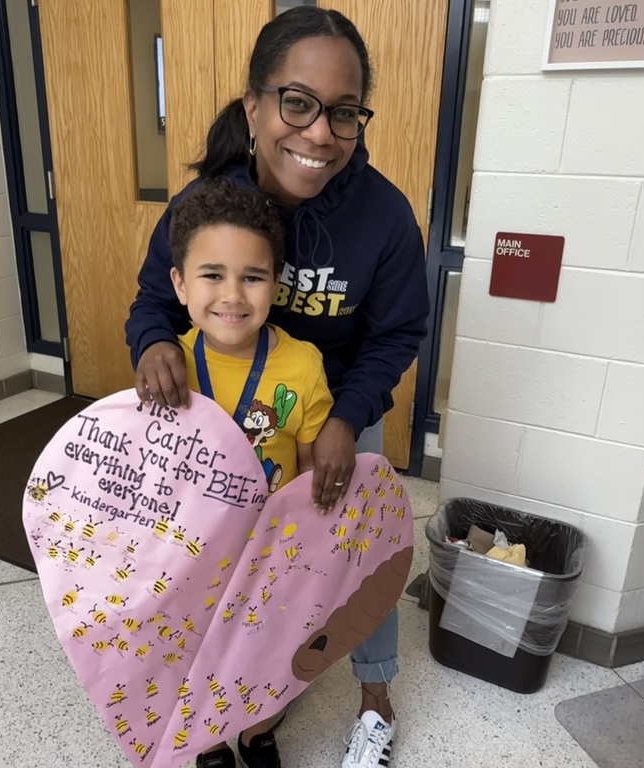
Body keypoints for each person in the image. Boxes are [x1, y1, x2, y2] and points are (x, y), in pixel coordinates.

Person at [125, 7, 430, 768]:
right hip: (225, 417)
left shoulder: (384, 216)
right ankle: (224, 696)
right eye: (297, 103)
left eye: (344, 111)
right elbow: (157, 298)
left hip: (334, 409)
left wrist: (347, 419)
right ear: (255, 106)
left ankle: (376, 699)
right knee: (221, 566)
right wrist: (154, 342)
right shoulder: (208, 205)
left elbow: (396, 334)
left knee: (357, 547)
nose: (320, 132)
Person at [166, 176, 335, 768]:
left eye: (253, 277)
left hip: (272, 554)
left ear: (276, 284)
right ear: (180, 284)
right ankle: (209, 741)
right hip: (192, 555)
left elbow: (311, 473)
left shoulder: (302, 364)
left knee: (270, 651)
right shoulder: (170, 366)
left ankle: (257, 731)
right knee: (196, 650)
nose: (232, 295)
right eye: (212, 275)